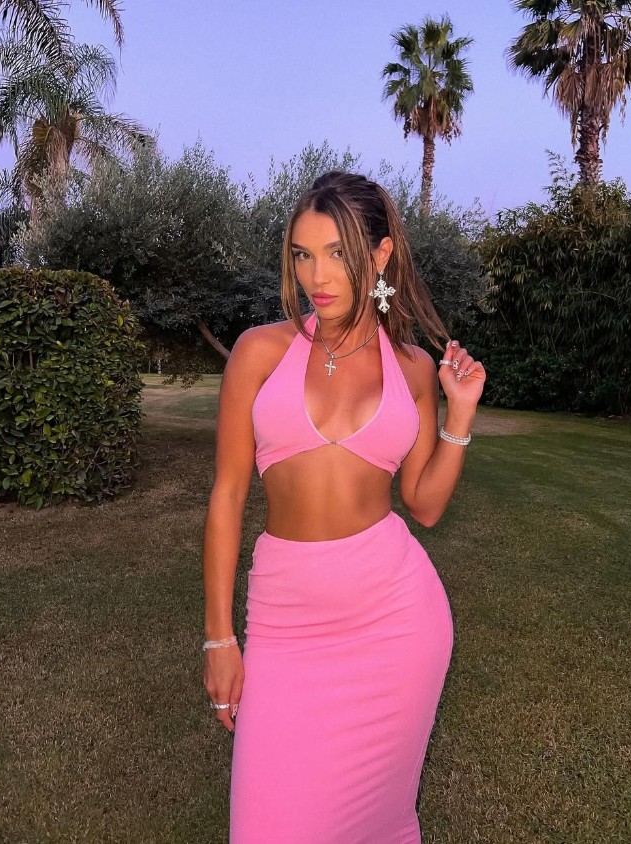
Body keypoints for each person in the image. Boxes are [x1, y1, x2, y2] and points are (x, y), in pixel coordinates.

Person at [202, 171, 486, 844]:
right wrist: (219, 637)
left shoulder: (412, 368)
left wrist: (459, 415)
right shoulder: (260, 352)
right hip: (285, 620)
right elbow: (227, 496)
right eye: (303, 255)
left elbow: (423, 506)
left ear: (380, 255)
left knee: (379, 821)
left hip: (396, 622)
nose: (317, 276)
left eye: (336, 253)